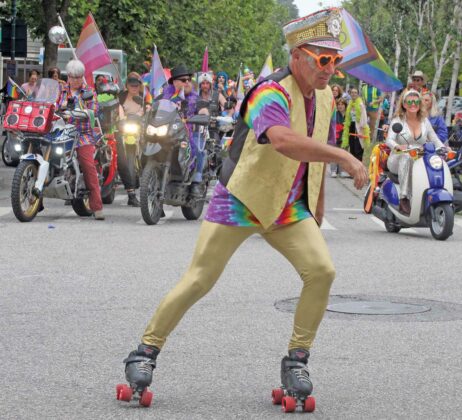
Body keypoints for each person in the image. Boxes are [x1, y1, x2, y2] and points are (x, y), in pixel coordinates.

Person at [120, 7, 368, 404]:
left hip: (287, 206)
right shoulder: (268, 92)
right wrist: (344, 156)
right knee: (200, 279)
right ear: (297, 57)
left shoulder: (324, 98)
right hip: (242, 198)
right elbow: (284, 140)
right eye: (324, 60)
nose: (330, 70)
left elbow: (314, 152)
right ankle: (144, 352)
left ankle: (297, 361)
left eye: (336, 61)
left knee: (322, 271)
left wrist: (316, 205)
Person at [57, 59, 105, 220]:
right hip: (61, 130)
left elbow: (95, 109)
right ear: (68, 76)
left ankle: (97, 207)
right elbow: (51, 103)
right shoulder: (61, 90)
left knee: (88, 165)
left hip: (82, 134)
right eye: (72, 77)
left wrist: (86, 112)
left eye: (78, 77)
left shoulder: (89, 92)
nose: (75, 80)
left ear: (82, 77)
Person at [386, 89, 444, 215]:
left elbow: (434, 139)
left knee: (436, 161)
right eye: (409, 101)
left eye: (416, 101)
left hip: (419, 158)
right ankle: (404, 198)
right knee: (407, 156)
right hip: (399, 157)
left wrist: (444, 148)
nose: (413, 104)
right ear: (404, 104)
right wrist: (398, 147)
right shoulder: (398, 120)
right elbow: (389, 140)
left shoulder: (424, 121)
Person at [161, 65, 204, 196]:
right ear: (174, 82)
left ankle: (196, 182)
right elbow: (154, 110)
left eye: (189, 80)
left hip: (190, 132)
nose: (187, 82)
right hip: (168, 132)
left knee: (198, 147)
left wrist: (203, 114)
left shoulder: (196, 99)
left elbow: (203, 109)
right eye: (183, 80)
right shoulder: (164, 97)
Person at [117, 72, 149, 207]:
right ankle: (129, 190)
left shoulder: (144, 97)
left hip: (140, 128)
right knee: (120, 157)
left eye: (137, 85)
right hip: (124, 128)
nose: (134, 87)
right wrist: (122, 118)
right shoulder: (121, 97)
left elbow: (148, 109)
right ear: (127, 85)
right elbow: (118, 110)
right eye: (131, 85)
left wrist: (144, 111)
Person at [341, 87, 370, 162]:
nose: (353, 94)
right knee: (352, 148)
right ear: (350, 94)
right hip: (351, 126)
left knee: (358, 148)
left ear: (358, 94)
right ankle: (353, 167)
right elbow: (347, 117)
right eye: (352, 92)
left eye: (355, 92)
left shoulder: (360, 104)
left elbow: (364, 119)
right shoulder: (350, 104)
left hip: (359, 128)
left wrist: (362, 128)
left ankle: (359, 165)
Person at [331, 98, 348, 177]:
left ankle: (342, 171)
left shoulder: (348, 115)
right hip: (336, 136)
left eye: (342, 105)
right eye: (339, 105)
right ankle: (333, 171)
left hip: (345, 137)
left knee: (343, 154)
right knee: (334, 154)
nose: (340, 106)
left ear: (345, 105)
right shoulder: (335, 114)